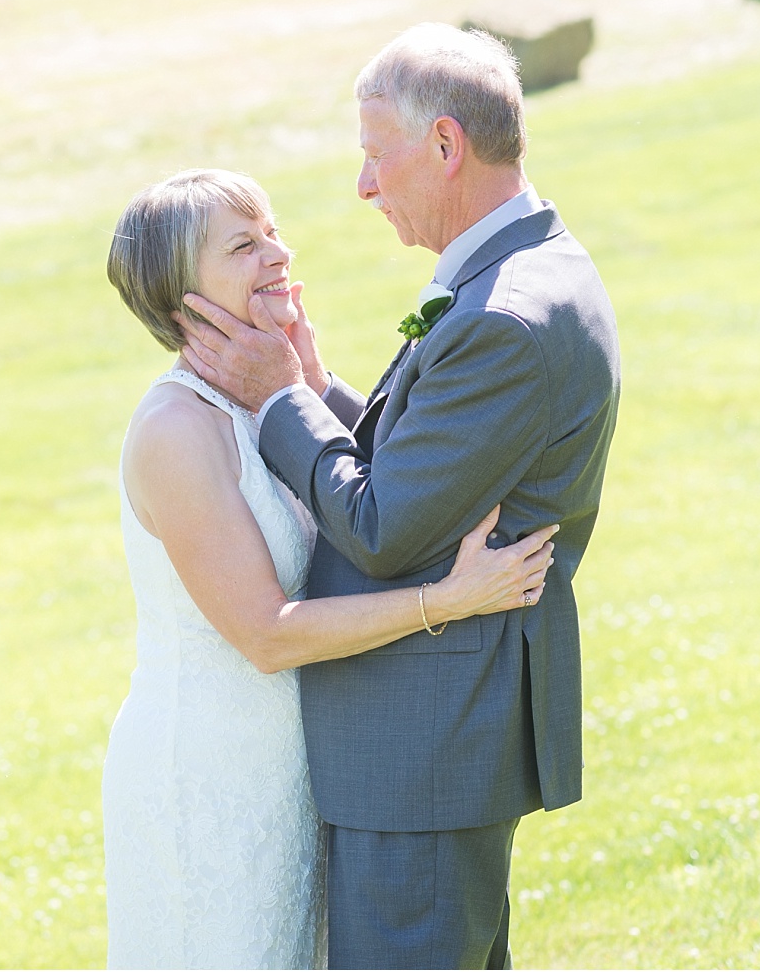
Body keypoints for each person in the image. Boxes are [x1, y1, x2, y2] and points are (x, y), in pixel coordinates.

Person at [177, 24, 621, 968]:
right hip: (433, 744)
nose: (365, 185)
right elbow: (427, 464)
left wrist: (276, 400)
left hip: (418, 748)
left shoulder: (503, 317)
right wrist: (319, 383)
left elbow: (382, 525)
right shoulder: (527, 272)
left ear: (446, 146)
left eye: (377, 156)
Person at [101, 166, 560, 969]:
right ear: (185, 300)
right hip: (210, 779)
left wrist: (310, 386)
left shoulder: (263, 397)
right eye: (245, 245)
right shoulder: (179, 429)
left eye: (272, 231)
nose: (278, 252)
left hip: (296, 773)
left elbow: (375, 493)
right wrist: (447, 598)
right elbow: (268, 635)